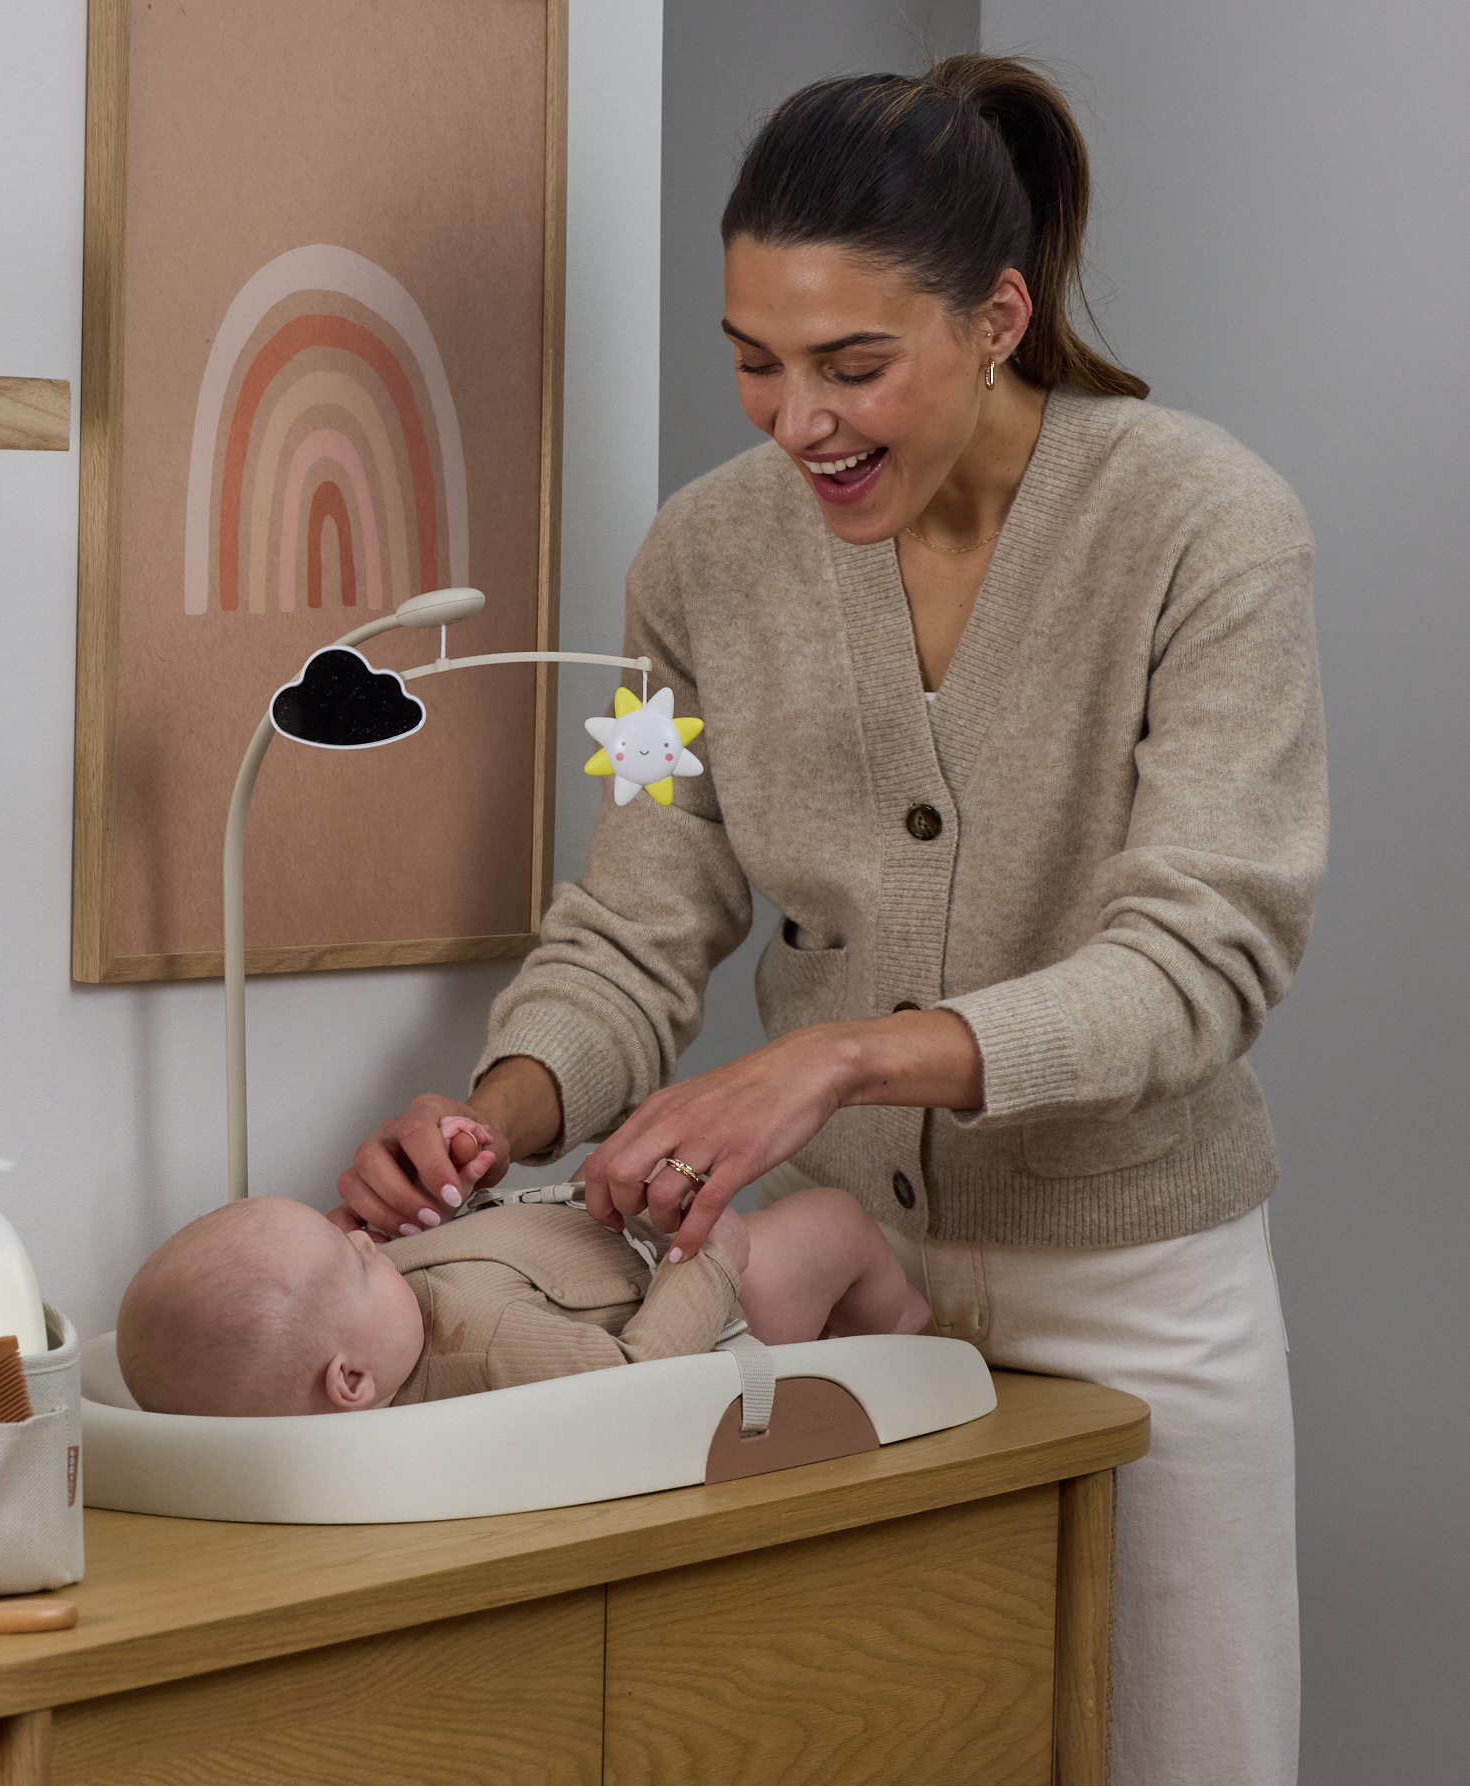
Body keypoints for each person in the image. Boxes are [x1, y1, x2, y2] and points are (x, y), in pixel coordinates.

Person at [334, 55, 1318, 1786]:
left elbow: (1201, 958)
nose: (799, 421)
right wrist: (496, 1111)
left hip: (1137, 1296)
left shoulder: (1204, 527)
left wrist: (839, 1060)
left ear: (999, 317)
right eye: (756, 360)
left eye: (855, 365)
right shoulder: (693, 565)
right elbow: (640, 906)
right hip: (829, 1298)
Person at [117, 1174, 924, 1417]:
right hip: (714, 1304)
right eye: (352, 1262)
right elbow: (637, 1380)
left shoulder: (382, 1326)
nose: (363, 1242)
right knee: (831, 1222)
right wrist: (713, 1262)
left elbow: (461, 1253)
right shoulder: (487, 1348)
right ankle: (906, 1345)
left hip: (608, 1241)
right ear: (351, 1380)